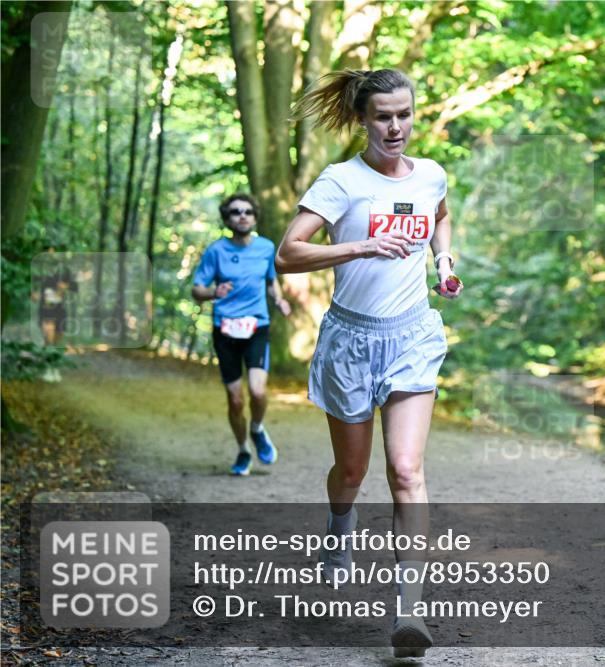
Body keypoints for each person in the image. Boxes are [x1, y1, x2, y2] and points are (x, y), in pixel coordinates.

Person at [277, 68, 462, 658]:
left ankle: (411, 608)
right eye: (383, 115)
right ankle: (340, 525)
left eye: (404, 114)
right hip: (351, 343)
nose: (396, 126)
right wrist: (359, 244)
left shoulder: (431, 174)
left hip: (411, 337)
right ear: (363, 118)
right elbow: (288, 253)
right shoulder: (341, 182)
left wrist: (444, 259)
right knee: (351, 473)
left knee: (406, 470)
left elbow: (439, 214)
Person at [192, 193, 292, 476]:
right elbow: (196, 289)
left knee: (258, 391)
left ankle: (257, 428)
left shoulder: (266, 248)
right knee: (235, 400)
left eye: (248, 211)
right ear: (227, 219)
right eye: (236, 212)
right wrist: (214, 292)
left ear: (255, 217)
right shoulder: (216, 251)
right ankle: (243, 450)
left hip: (256, 326)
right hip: (225, 329)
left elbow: (272, 281)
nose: (243, 215)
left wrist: (279, 300)